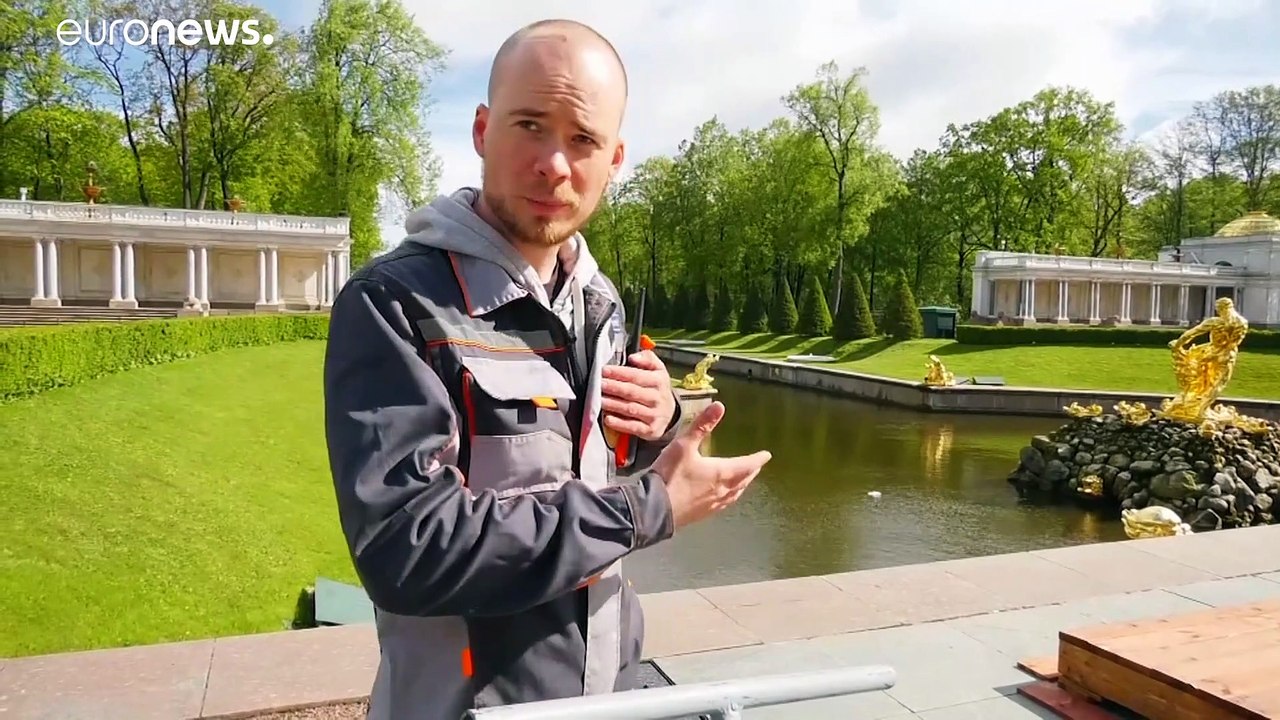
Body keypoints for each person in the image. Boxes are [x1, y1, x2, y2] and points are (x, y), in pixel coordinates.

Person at [322, 18, 773, 720]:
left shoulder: (597, 301)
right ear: (481, 130)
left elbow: (576, 459)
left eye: (583, 139)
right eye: (531, 124)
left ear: (615, 157)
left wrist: (654, 427)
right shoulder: (396, 302)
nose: (555, 164)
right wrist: (647, 508)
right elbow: (407, 552)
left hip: (606, 698)